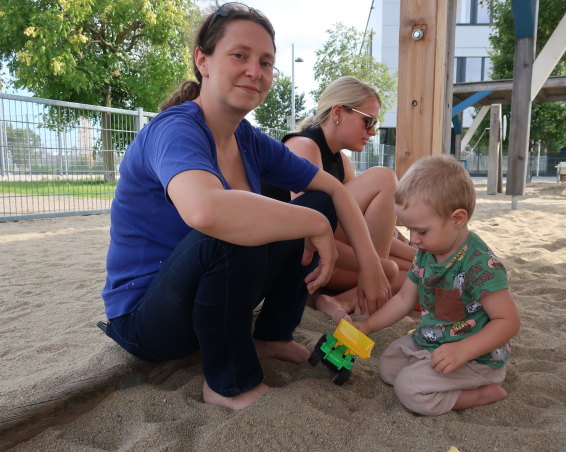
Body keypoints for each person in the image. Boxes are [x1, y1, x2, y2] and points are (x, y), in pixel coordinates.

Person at [100, 2, 391, 411]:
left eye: (266, 62)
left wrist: (371, 266)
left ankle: (271, 335)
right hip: (147, 320)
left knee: (316, 201)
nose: (256, 71)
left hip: (203, 302)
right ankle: (228, 384)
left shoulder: (249, 140)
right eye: (240, 55)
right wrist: (310, 223)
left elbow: (336, 192)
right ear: (203, 60)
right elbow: (207, 212)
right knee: (239, 218)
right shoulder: (175, 129)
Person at [352, 155, 521, 416]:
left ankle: (481, 392)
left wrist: (463, 350)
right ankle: (429, 370)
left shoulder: (480, 265)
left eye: (421, 231)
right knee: (388, 367)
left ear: (457, 218)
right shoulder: (427, 253)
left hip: (476, 357)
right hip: (434, 341)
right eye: (409, 230)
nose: (413, 240)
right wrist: (368, 325)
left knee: (409, 390)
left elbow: (508, 321)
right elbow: (403, 300)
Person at [264, 76, 417, 324]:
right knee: (384, 178)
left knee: (416, 271)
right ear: (337, 112)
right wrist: (380, 264)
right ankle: (370, 291)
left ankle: (343, 300)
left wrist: (417, 254)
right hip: (299, 259)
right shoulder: (304, 145)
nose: (373, 131)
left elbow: (360, 227)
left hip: (330, 259)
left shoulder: (341, 161)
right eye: (368, 121)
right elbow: (308, 236)